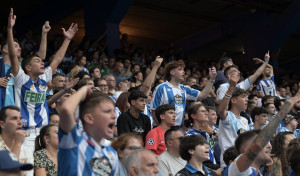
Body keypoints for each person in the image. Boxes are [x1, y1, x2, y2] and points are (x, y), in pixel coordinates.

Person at [7, 8, 78, 150]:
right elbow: (14, 56)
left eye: (42, 61)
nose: (42, 63)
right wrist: (10, 29)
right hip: (25, 134)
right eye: (37, 61)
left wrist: (67, 40)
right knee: (26, 171)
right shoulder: (21, 79)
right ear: (27, 67)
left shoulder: (44, 78)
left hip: (44, 133)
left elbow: (57, 59)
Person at [226, 93, 300, 176]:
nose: (269, 146)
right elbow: (258, 144)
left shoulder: (259, 172)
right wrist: (282, 112)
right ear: (247, 148)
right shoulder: (236, 169)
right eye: (264, 143)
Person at [59, 86, 119, 175]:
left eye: (114, 111)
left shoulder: (112, 153)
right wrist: (83, 90)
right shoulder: (74, 140)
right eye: (107, 111)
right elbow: (66, 110)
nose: (114, 116)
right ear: (89, 118)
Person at [0, 20, 50, 108]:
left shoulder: (22, 66)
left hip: (14, 111)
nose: (19, 48)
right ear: (5, 50)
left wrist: (44, 34)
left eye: (19, 46)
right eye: (15, 46)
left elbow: (41, 56)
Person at [151, 60, 216, 127]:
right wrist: (162, 129)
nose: (183, 72)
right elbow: (154, 110)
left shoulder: (184, 88)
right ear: (172, 72)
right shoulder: (161, 88)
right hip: (162, 127)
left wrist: (211, 80)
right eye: (180, 69)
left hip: (178, 128)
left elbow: (203, 95)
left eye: (183, 69)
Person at [218, 72, 250, 168]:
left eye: (246, 97)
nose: (247, 99)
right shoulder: (228, 116)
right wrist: (231, 87)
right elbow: (221, 110)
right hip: (230, 164)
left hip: (244, 163)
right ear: (233, 100)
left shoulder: (245, 120)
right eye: (243, 97)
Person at [0, 106, 33, 176]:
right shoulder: (19, 144)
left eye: (20, 118)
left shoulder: (27, 150)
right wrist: (17, 143)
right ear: (2, 124)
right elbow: (8, 171)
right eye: (14, 118)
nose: (20, 122)